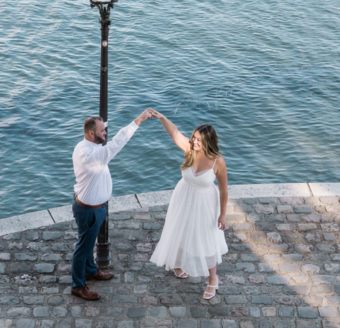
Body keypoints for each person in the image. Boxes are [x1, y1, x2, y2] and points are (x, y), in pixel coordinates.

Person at [71, 108, 157, 300]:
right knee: (83, 248)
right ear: (91, 134)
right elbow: (119, 141)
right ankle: (77, 285)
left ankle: (90, 270)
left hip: (93, 208)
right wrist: (140, 119)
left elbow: (110, 139)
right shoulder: (94, 156)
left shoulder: (83, 146)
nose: (106, 133)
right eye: (102, 131)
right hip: (89, 211)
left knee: (88, 242)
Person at [147, 114, 229, 299]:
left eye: (198, 140)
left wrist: (222, 215)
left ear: (208, 141)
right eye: (193, 137)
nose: (194, 142)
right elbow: (174, 132)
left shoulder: (218, 161)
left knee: (206, 240)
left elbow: (224, 190)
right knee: (180, 231)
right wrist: (161, 117)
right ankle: (177, 264)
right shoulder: (189, 150)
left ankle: (212, 279)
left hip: (206, 203)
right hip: (184, 197)